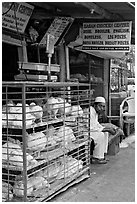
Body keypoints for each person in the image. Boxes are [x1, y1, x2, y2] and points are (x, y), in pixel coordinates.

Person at [89, 96, 116, 164]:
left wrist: (106, 129)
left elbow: (96, 124)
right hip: (85, 131)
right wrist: (105, 129)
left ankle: (103, 154)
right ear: (95, 105)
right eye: (100, 106)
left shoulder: (95, 112)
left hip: (92, 130)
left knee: (105, 133)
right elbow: (92, 127)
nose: (102, 108)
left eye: (103, 106)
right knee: (100, 135)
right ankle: (97, 158)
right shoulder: (90, 112)